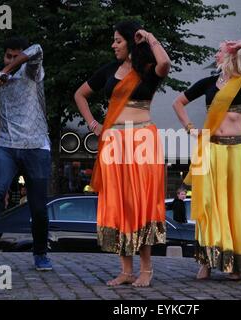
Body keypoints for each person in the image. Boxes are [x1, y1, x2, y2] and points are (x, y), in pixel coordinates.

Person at [74, 20, 171, 287]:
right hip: (114, 141)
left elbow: (166, 64)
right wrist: (93, 123)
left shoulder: (148, 69)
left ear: (130, 41)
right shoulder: (109, 69)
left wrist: (149, 36)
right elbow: (80, 95)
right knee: (119, 203)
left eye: (118, 40)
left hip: (141, 139)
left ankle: (146, 269)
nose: (113, 45)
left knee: (140, 202)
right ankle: (126, 270)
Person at [173, 39, 241, 280]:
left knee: (236, 205)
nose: (216, 55)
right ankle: (206, 261)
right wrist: (190, 128)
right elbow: (178, 103)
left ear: (231, 56)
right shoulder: (207, 83)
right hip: (213, 149)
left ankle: (236, 263)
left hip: (237, 152)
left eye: (219, 51)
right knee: (209, 203)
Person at [0, 36, 52, 280]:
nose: (11, 60)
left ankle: (40, 253)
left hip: (37, 147)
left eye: (16, 56)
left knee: (38, 207)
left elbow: (37, 49)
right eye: (8, 56)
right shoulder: (2, 80)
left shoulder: (32, 71)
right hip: (6, 146)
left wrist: (9, 67)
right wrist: (4, 73)